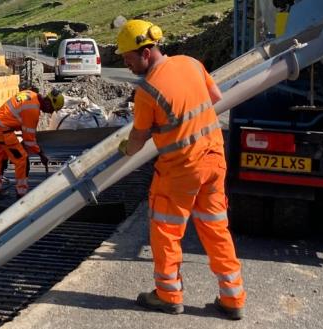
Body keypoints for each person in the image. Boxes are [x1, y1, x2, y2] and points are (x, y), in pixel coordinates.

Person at [116, 19, 246, 320]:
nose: (127, 65)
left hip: (181, 168)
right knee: (216, 229)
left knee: (165, 230)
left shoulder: (147, 91)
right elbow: (215, 99)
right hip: (214, 158)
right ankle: (233, 298)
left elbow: (138, 138)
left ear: (145, 52)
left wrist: (126, 150)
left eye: (129, 59)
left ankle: (168, 295)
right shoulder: (190, 62)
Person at [0, 88, 64, 197]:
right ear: (48, 102)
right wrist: (41, 154)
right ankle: (21, 192)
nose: (51, 112)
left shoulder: (30, 94)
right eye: (52, 109)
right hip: (3, 130)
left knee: (1, 156)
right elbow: (29, 140)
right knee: (21, 159)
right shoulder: (33, 110)